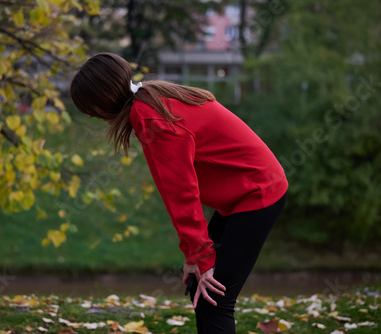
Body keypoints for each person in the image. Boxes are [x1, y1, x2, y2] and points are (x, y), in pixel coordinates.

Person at [70, 52, 288, 334]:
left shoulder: (151, 116)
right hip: (243, 196)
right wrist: (193, 256)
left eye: (88, 107)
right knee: (200, 285)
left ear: (101, 100)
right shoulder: (148, 101)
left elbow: (181, 192)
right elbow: (177, 192)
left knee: (214, 299)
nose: (89, 115)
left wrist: (202, 256)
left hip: (258, 193)